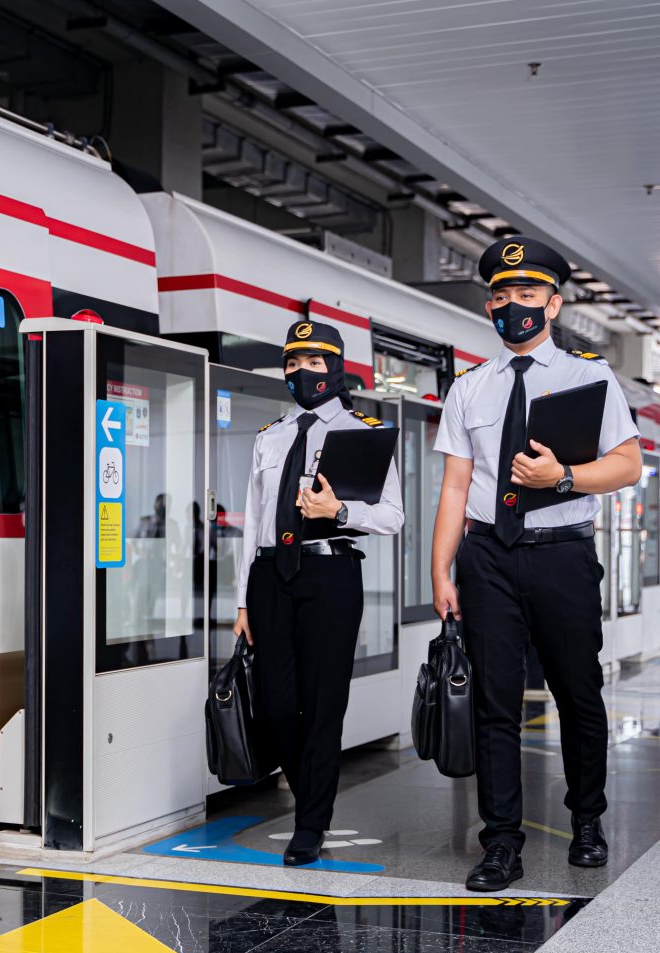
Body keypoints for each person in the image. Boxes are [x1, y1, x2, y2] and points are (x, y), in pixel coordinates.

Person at [431, 236, 641, 892]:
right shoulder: (470, 388)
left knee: (577, 693)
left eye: (526, 294)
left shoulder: (588, 377)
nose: (511, 305)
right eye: (500, 294)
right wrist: (441, 571)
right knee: (495, 703)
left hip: (562, 553)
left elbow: (628, 465)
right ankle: (500, 844)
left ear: (554, 303)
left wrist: (564, 476)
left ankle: (587, 821)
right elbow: (456, 488)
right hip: (488, 555)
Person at [233, 320, 404, 866]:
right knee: (277, 706)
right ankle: (310, 796)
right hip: (269, 576)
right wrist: (241, 600)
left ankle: (311, 824)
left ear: (335, 368)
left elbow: (394, 517)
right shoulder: (270, 435)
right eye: (291, 363)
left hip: (331, 575)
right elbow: (252, 522)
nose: (300, 373)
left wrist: (340, 512)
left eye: (312, 363)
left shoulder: (365, 434)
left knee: (324, 704)